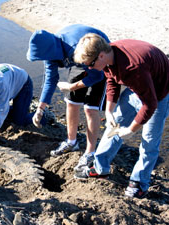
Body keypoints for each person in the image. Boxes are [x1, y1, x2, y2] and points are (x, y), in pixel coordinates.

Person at [73, 33, 169, 198]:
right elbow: (112, 81)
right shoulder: (109, 55)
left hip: (159, 93)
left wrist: (130, 130)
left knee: (149, 140)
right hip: (138, 87)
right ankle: (100, 167)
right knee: (114, 124)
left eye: (90, 64)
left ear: (101, 55)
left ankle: (139, 183)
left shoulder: (132, 67)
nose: (89, 68)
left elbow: (150, 104)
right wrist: (109, 111)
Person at [26, 24, 110, 171]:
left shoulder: (72, 47)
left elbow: (97, 75)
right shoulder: (50, 52)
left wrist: (72, 86)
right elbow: (50, 79)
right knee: (71, 102)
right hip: (78, 60)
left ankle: (90, 152)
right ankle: (72, 142)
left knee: (90, 109)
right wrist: (40, 108)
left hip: (95, 58)